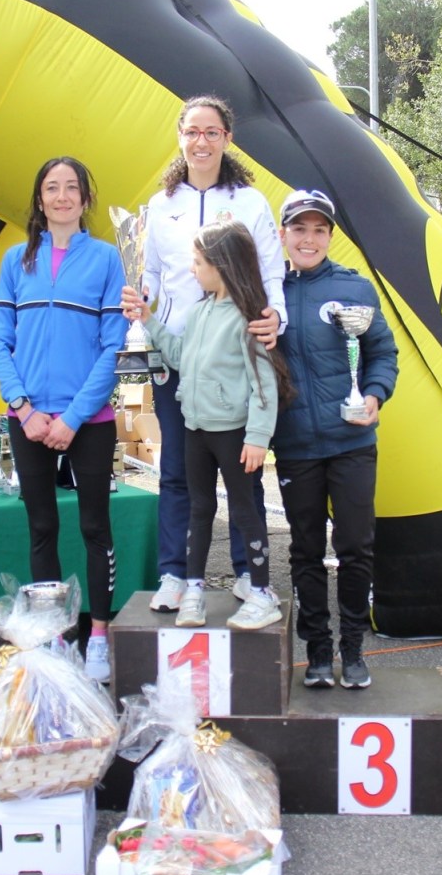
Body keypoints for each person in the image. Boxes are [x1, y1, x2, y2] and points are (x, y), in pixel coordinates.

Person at [142, 94, 288, 613]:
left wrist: (275, 317)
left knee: (241, 475)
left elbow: (271, 270)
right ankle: (175, 575)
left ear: (227, 139)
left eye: (211, 132)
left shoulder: (249, 202)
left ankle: (250, 576)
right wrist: (143, 307)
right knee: (177, 472)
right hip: (177, 356)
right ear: (179, 137)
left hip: (232, 355)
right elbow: (150, 272)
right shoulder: (161, 205)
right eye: (192, 132)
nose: (200, 141)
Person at [0, 156, 128, 684]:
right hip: (28, 420)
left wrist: (72, 416)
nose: (63, 196)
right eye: (52, 187)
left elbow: (114, 346)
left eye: (72, 188)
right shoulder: (15, 260)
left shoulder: (107, 259)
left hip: (87, 419)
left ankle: (99, 636)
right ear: (40, 199)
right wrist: (23, 408)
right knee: (42, 527)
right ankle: (52, 638)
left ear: (85, 200)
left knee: (95, 527)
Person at [124, 220, 294, 630]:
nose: (192, 269)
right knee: (200, 510)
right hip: (195, 431)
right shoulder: (198, 312)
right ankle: (194, 589)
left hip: (234, 434)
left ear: (222, 264)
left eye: (198, 262)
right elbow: (180, 356)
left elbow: (264, 384)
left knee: (245, 510)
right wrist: (149, 320)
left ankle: (261, 593)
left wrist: (257, 438)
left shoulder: (249, 318)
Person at [272, 188, 398, 689]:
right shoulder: (268, 291)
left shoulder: (355, 288)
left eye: (318, 230)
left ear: (329, 236)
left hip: (351, 442)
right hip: (295, 444)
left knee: (355, 548)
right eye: (299, 229)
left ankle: (353, 649)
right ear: (283, 234)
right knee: (304, 550)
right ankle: (318, 652)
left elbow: (382, 352)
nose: (309, 238)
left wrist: (374, 394)